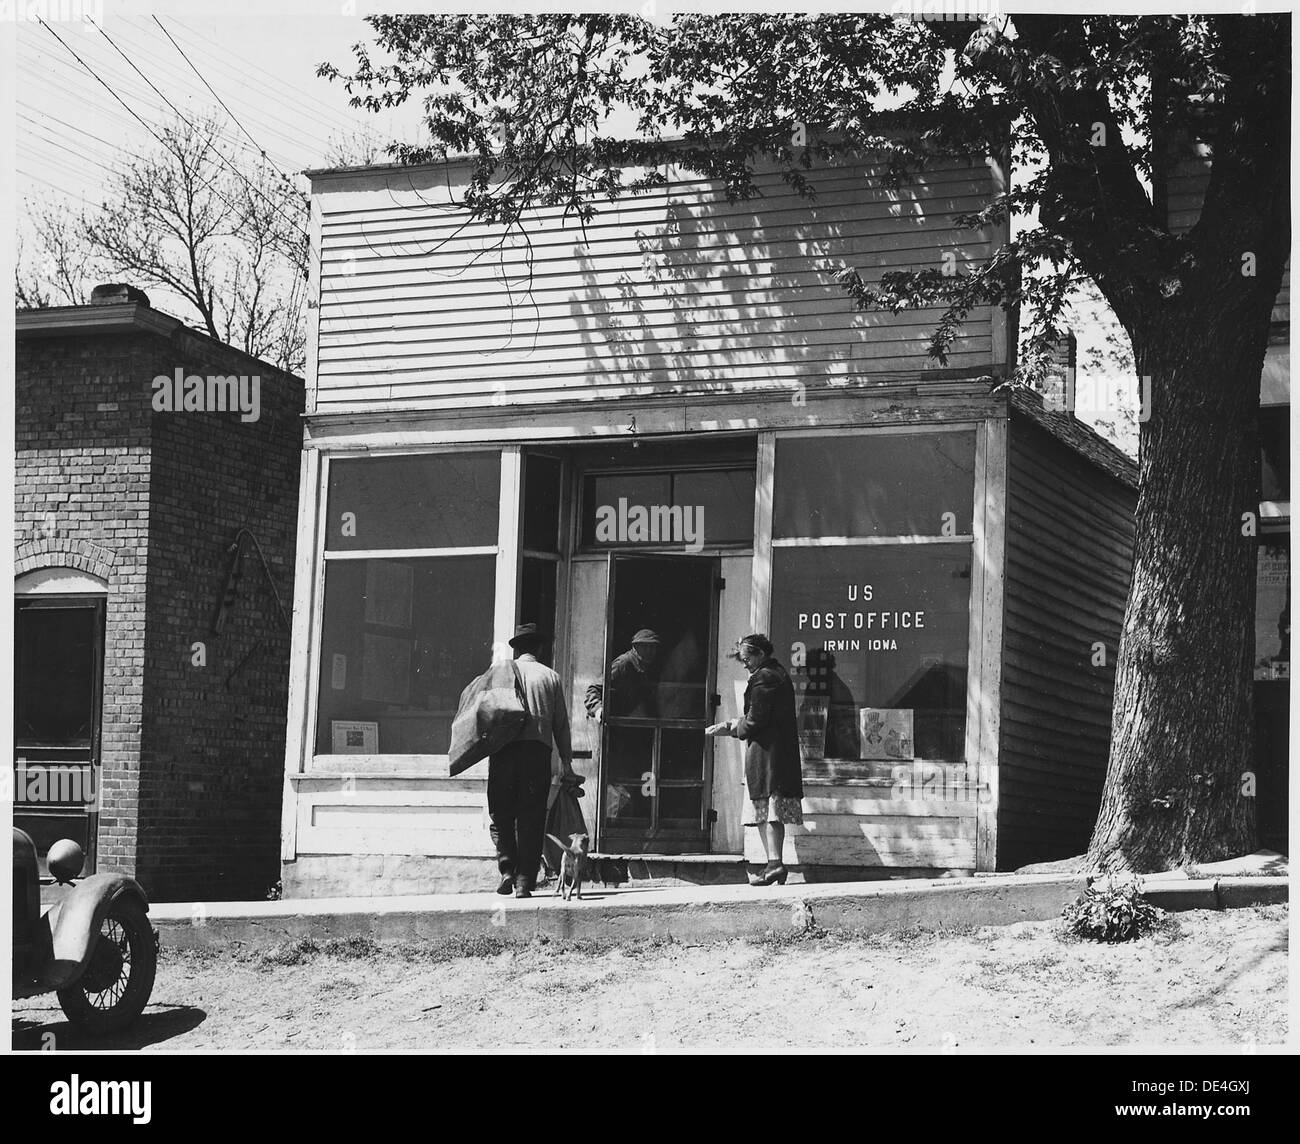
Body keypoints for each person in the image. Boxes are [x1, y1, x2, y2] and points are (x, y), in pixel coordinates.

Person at [706, 633, 804, 887]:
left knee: (769, 807)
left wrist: (729, 727)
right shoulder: (774, 673)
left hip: (769, 753)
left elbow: (755, 720)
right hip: (773, 751)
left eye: (747, 658)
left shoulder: (765, 678)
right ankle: (773, 865)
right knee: (767, 808)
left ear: (761, 654)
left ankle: (775, 864)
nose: (745, 664)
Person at [489, 623, 574, 898]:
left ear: (516, 649)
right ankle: (525, 881)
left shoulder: (499, 672)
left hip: (503, 752)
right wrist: (567, 763)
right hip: (537, 753)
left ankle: (506, 869)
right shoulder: (550, 677)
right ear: (538, 648)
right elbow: (561, 725)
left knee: (501, 813)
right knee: (531, 816)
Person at [583, 628, 661, 721]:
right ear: (634, 648)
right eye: (644, 646)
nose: (649, 651)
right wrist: (599, 711)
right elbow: (593, 689)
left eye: (652, 647)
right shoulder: (623, 664)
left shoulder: (648, 668)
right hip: (615, 725)